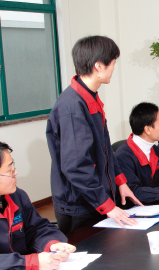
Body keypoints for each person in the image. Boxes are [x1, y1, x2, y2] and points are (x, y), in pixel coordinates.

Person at [46, 36, 142, 235]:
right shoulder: (72, 107)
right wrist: (106, 205)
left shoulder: (89, 97)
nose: (113, 68)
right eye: (112, 63)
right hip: (80, 204)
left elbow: (104, 149)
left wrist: (121, 182)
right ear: (99, 66)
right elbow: (76, 166)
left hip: (95, 198)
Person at [0, 139, 75, 270]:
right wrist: (31, 263)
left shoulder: (16, 196)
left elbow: (37, 228)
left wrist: (51, 244)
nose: (15, 173)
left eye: (13, 167)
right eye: (9, 171)